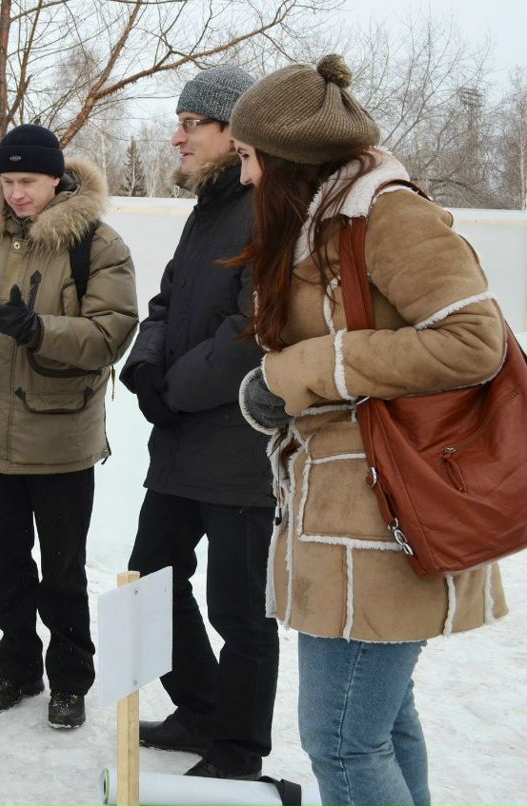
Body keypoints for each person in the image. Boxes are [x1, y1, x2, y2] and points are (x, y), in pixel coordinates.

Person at [229, 55, 508, 806]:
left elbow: (474, 342)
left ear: (287, 158)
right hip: (344, 515)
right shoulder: (322, 224)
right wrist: (280, 388)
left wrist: (304, 371)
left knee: (344, 742)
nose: (247, 177)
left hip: (385, 518)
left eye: (251, 157)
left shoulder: (386, 213)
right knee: (383, 726)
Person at [0, 124, 138, 729]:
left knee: (63, 571)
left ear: (57, 178)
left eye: (29, 181)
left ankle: (70, 680)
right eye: (8, 181)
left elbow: (111, 332)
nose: (16, 193)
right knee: (4, 565)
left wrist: (36, 330)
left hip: (60, 438)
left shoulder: (98, 243)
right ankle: (17, 667)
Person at [119, 67, 279, 780]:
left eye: (191, 122)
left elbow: (251, 329)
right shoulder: (206, 210)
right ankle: (202, 708)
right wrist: (147, 365)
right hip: (184, 441)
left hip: (240, 450)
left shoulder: (267, 209)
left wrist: (173, 390)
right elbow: (166, 302)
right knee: (151, 575)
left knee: (239, 610)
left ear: (232, 132)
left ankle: (239, 750)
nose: (177, 135)